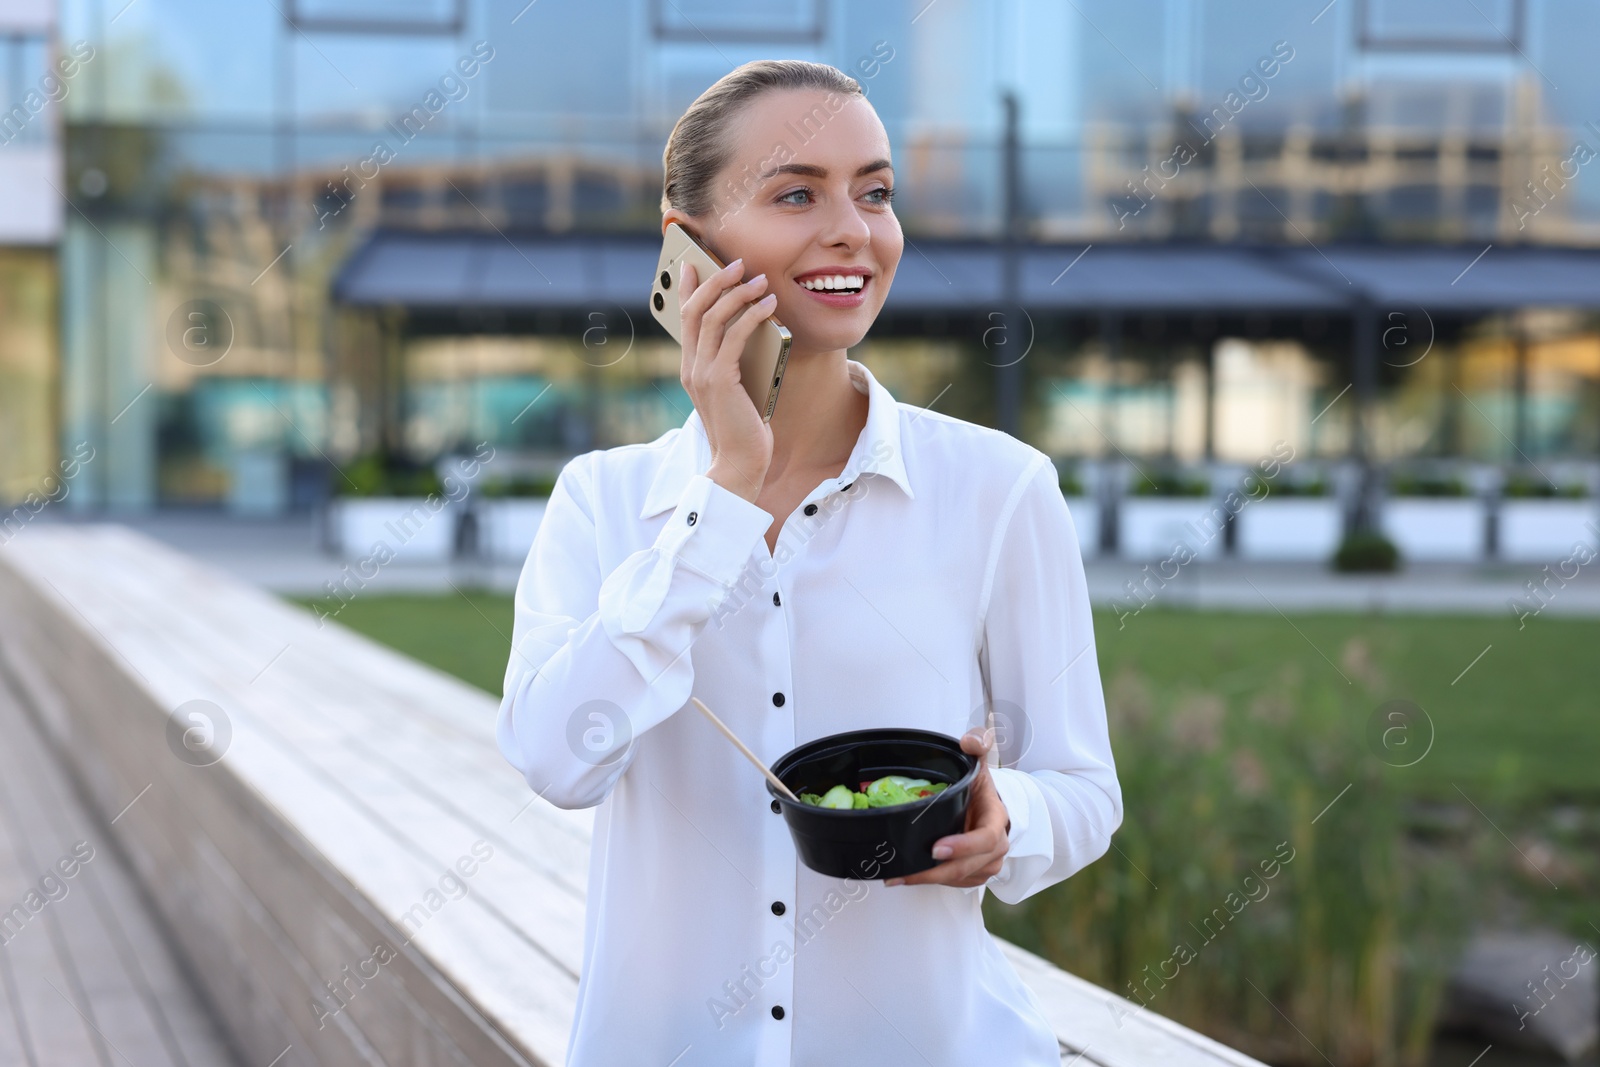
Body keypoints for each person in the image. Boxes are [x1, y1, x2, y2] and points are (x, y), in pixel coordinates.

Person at [496, 58, 1122, 1066]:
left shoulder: (999, 490)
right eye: (796, 193)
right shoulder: (604, 501)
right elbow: (556, 756)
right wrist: (724, 498)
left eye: (874, 191)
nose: (853, 229)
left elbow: (1084, 785)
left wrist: (1014, 820)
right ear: (687, 244)